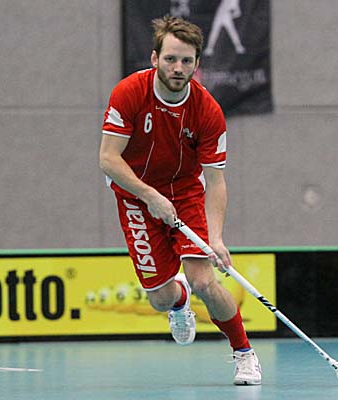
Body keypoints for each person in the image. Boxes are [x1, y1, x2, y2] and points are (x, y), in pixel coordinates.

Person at [98, 16, 261, 386]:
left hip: (186, 196)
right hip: (136, 197)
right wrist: (149, 195)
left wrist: (216, 238)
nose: (178, 67)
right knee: (158, 297)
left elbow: (215, 182)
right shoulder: (129, 93)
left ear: (197, 64)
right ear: (155, 58)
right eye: (170, 59)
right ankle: (178, 299)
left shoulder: (208, 111)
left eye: (186, 61)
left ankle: (244, 353)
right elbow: (108, 158)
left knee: (205, 281)